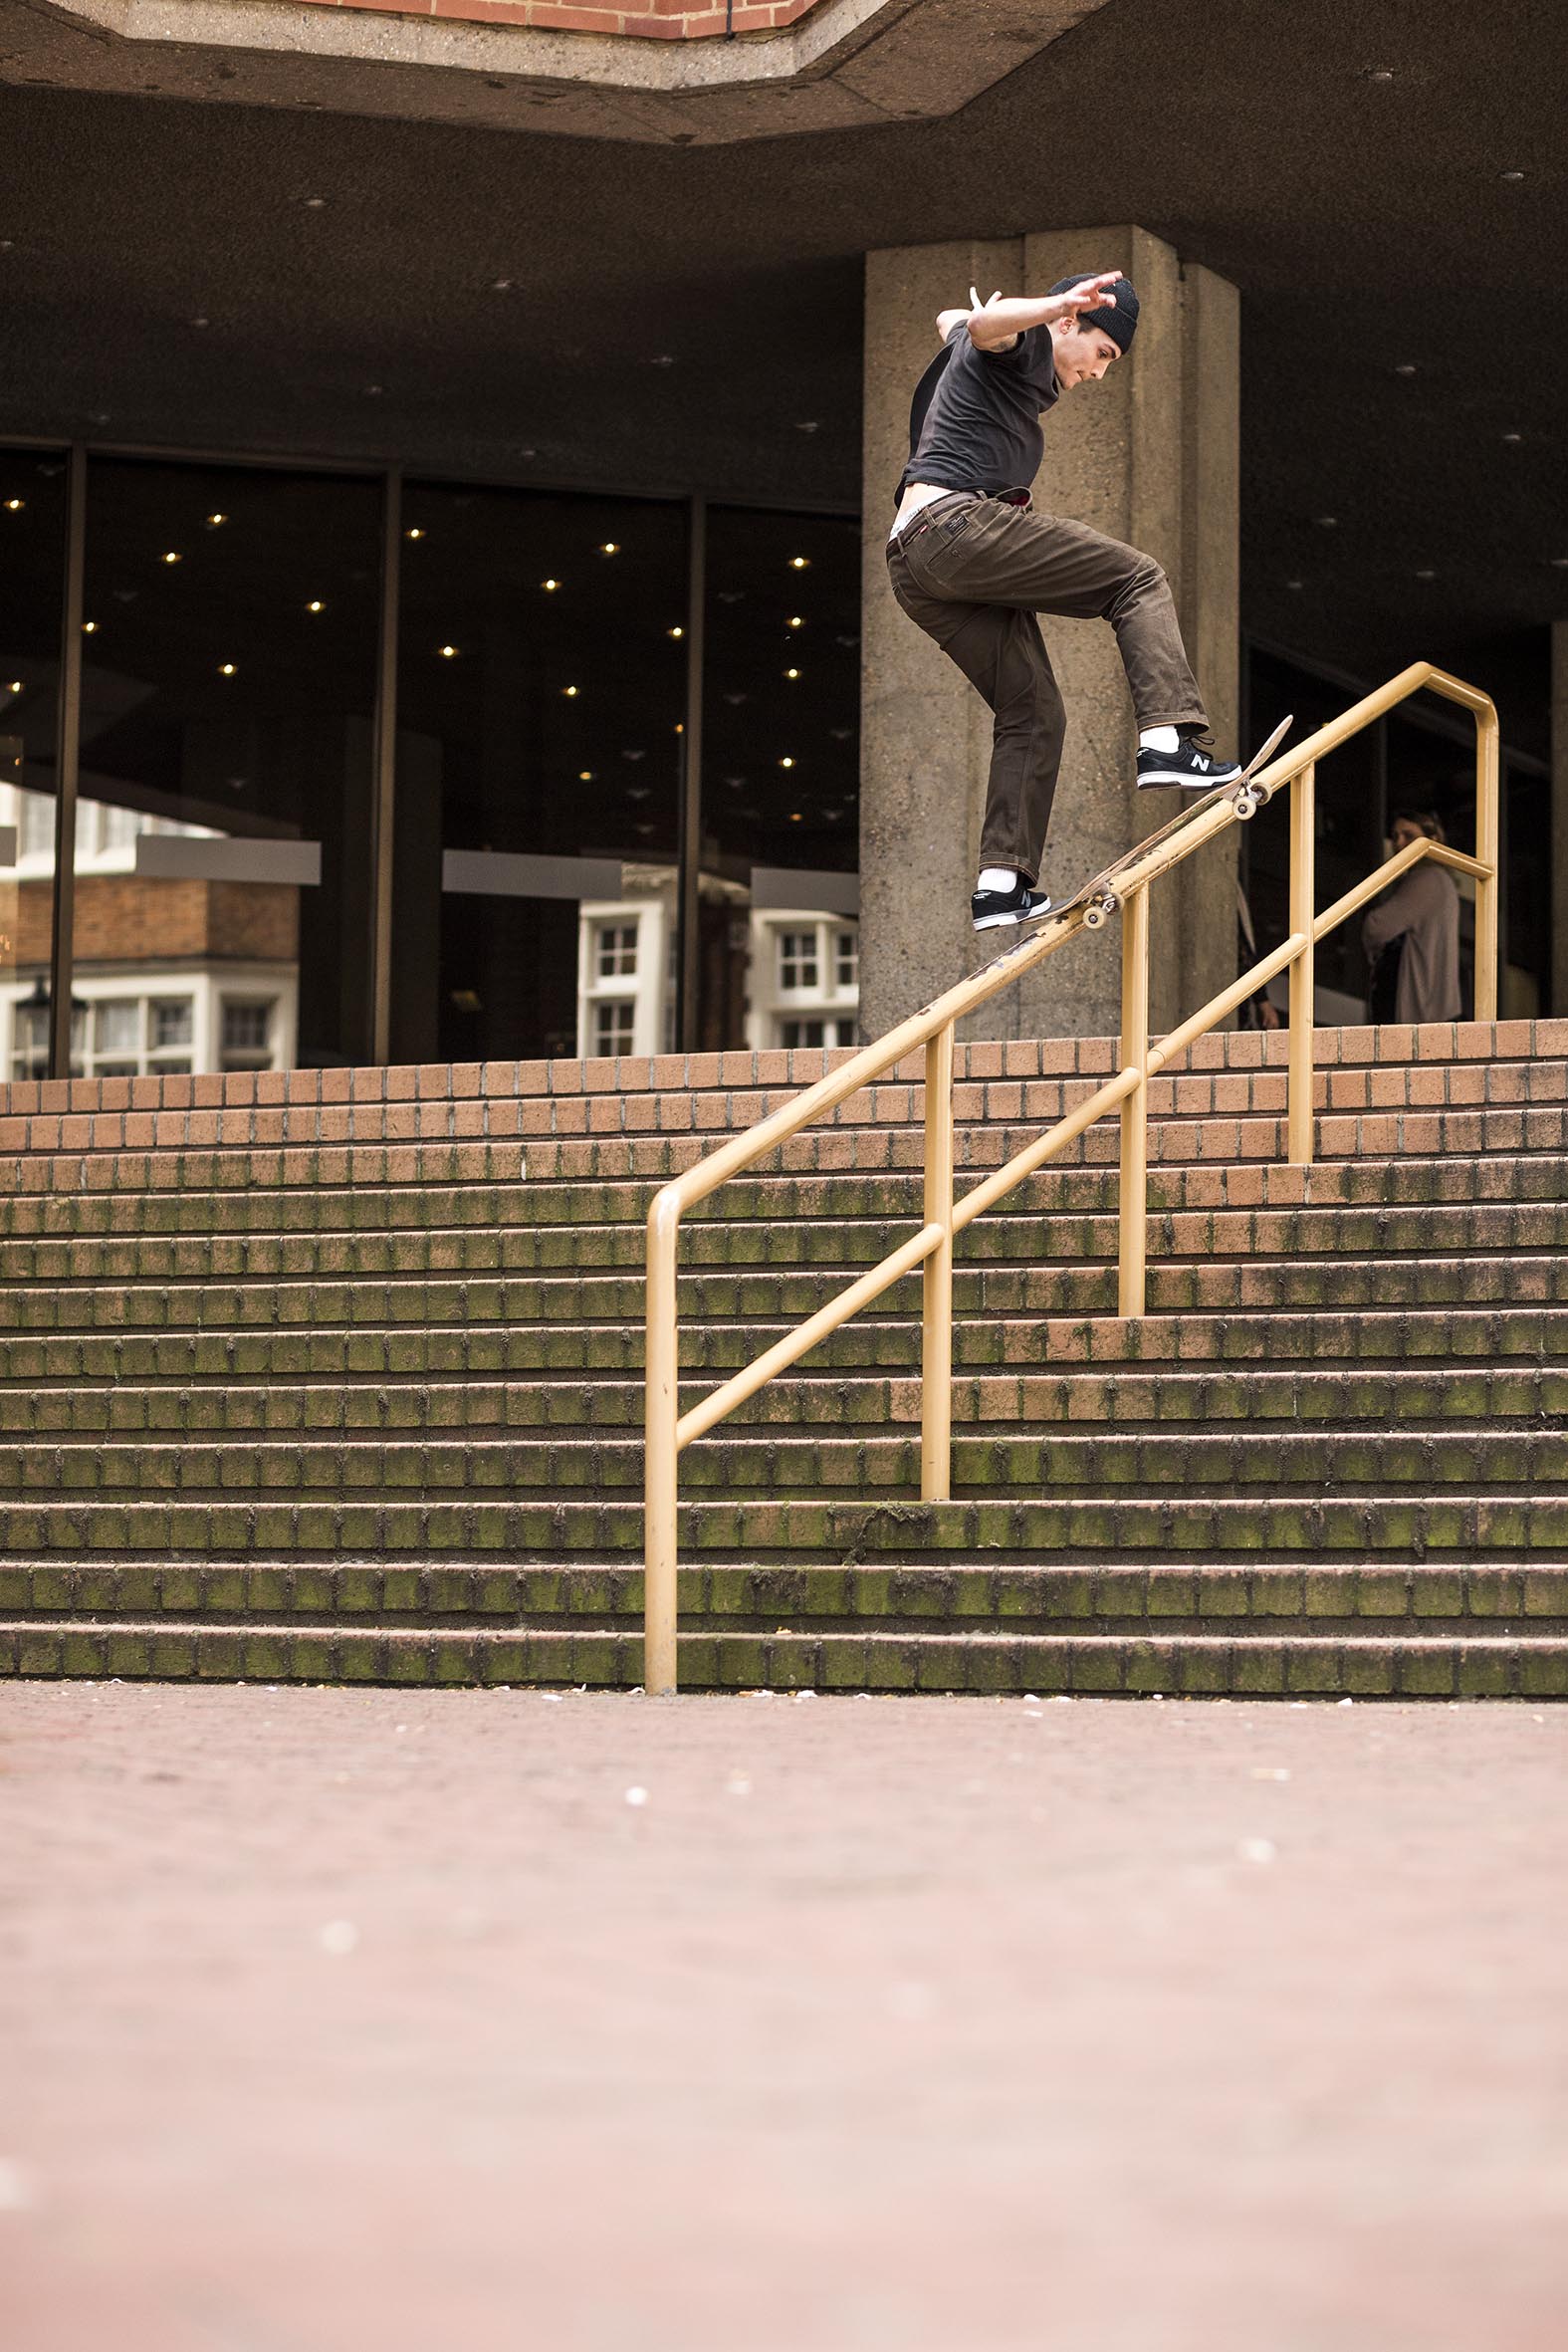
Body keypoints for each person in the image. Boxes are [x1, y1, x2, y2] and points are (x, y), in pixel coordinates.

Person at [884, 271, 1242, 933]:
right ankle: (1166, 739)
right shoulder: (1025, 346)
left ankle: (1000, 884)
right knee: (1135, 579)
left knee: (1032, 710)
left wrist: (958, 324)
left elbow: (952, 321)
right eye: (1104, 354)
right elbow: (992, 330)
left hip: (914, 561)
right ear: (1070, 326)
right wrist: (1053, 306)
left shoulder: (994, 366)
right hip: (956, 527)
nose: (1099, 375)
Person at [1361, 809, 1461, 1024]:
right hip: (1432, 1006)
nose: (1399, 843)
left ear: (1432, 840)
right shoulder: (1441, 880)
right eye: (1395, 836)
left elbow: (1376, 926)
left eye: (1409, 836)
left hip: (1418, 1002)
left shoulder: (1427, 879)